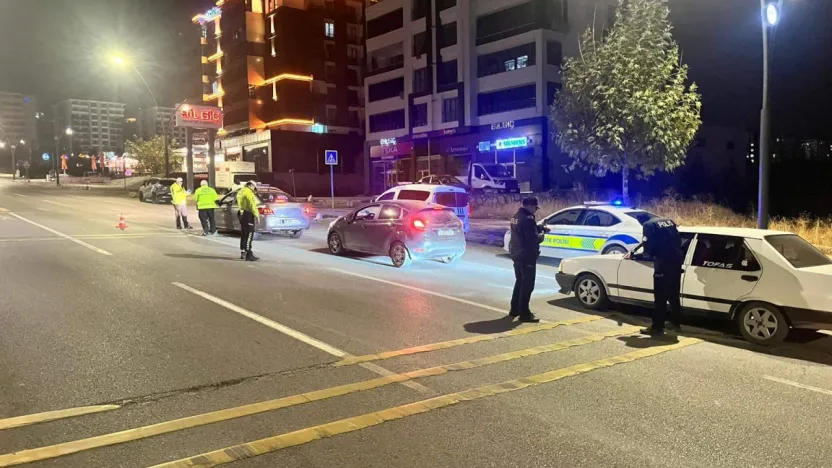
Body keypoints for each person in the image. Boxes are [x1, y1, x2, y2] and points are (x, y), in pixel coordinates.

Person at [640, 217, 684, 337]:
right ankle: (675, 324)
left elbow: (648, 244)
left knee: (660, 298)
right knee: (674, 295)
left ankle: (657, 328)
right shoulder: (669, 221)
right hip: (676, 261)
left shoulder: (648, 225)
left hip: (663, 263)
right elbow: (678, 240)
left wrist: (647, 254)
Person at [508, 197, 548, 323]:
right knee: (527, 285)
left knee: (519, 281)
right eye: (535, 208)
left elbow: (525, 232)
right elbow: (533, 238)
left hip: (517, 254)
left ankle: (515, 309)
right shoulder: (528, 219)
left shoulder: (516, 216)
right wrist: (542, 236)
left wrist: (539, 228)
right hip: (527, 256)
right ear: (530, 206)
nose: (536, 211)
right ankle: (524, 313)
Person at [237, 181, 260, 261]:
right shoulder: (248, 192)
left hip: (241, 213)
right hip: (248, 214)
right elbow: (252, 204)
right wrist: (256, 215)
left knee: (244, 233)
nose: (254, 189)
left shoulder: (241, 191)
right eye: (254, 187)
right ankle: (248, 253)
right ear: (250, 185)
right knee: (249, 233)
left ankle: (243, 251)